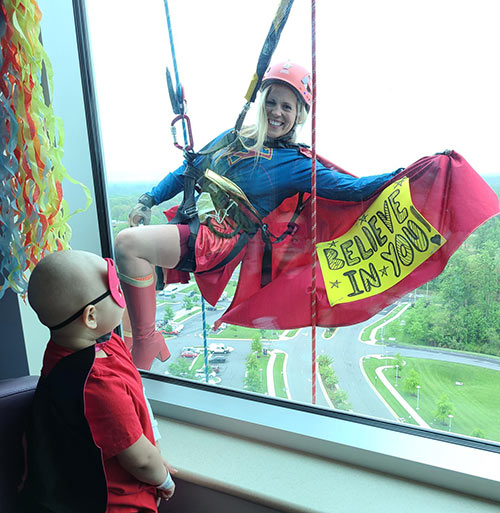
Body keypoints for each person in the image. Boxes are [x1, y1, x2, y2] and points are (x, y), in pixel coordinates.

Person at [114, 61, 398, 369]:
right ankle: (135, 348)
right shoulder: (235, 138)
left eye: (287, 106)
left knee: (129, 245)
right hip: (197, 221)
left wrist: (402, 176)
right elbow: (190, 170)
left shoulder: (297, 164)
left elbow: (352, 189)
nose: (277, 112)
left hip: (219, 240)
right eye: (272, 102)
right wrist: (148, 199)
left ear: (299, 115)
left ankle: (145, 341)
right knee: (132, 274)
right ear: (261, 103)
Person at [19, 250, 176, 513]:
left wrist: (155, 449)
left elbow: (136, 389)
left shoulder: (99, 345)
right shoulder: (96, 383)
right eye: (115, 289)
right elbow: (138, 460)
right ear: (91, 316)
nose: (123, 294)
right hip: (115, 504)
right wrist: (164, 479)